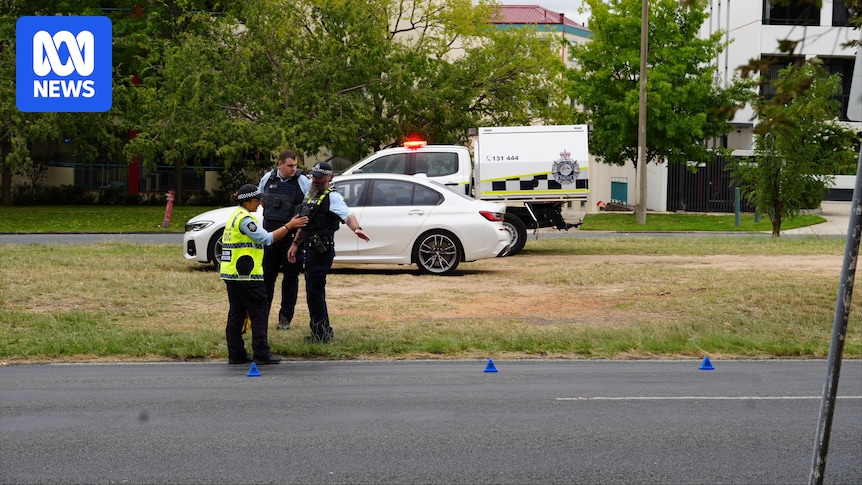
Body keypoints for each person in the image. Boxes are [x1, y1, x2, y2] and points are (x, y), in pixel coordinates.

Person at [221, 184, 307, 365]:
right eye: (256, 200)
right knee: (259, 311)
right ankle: (261, 352)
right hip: (247, 275)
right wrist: (289, 226)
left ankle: (236, 353)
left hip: (232, 274)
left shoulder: (234, 216)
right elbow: (266, 239)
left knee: (236, 313)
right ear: (247, 201)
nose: (260, 204)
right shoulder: (245, 220)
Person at [287, 162, 369, 343]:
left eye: (319, 177)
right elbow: (304, 222)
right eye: (314, 176)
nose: (315, 180)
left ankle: (321, 334)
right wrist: (295, 244)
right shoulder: (311, 195)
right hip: (309, 249)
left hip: (321, 251)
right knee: (312, 291)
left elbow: (348, 216)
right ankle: (320, 330)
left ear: (329, 177)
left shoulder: (332, 197)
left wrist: (356, 229)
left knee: (315, 292)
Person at [258, 150, 312, 331]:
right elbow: (261, 202)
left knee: (290, 279)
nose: (293, 169)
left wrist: (298, 241)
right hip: (271, 238)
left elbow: (307, 208)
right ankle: (262, 316)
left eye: (296, 165)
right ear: (280, 164)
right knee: (267, 279)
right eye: (290, 165)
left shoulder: (302, 181)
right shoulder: (268, 178)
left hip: (292, 239)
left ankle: (285, 319)